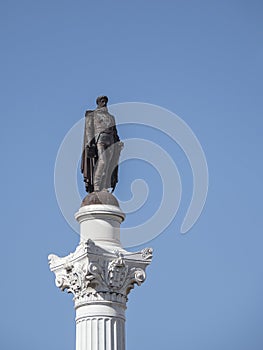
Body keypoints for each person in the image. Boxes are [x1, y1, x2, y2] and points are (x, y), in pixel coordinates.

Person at [81, 96, 123, 193]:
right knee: (102, 161)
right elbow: (89, 129)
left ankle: (103, 187)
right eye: (102, 101)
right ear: (98, 103)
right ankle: (96, 186)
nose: (104, 103)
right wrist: (89, 143)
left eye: (105, 101)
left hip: (111, 140)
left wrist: (119, 142)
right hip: (100, 139)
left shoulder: (111, 117)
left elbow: (115, 132)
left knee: (108, 165)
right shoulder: (92, 115)